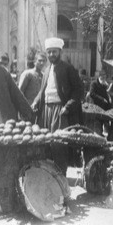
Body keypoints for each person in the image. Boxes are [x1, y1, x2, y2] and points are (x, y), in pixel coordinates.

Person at [32, 37, 83, 176]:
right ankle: (49, 177)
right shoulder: (47, 70)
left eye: (54, 52)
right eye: (49, 52)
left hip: (60, 111)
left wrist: (68, 106)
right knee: (45, 142)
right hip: (46, 111)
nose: (51, 55)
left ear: (60, 52)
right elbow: (43, 91)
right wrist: (36, 102)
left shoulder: (68, 68)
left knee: (59, 144)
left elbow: (78, 90)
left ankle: (61, 177)